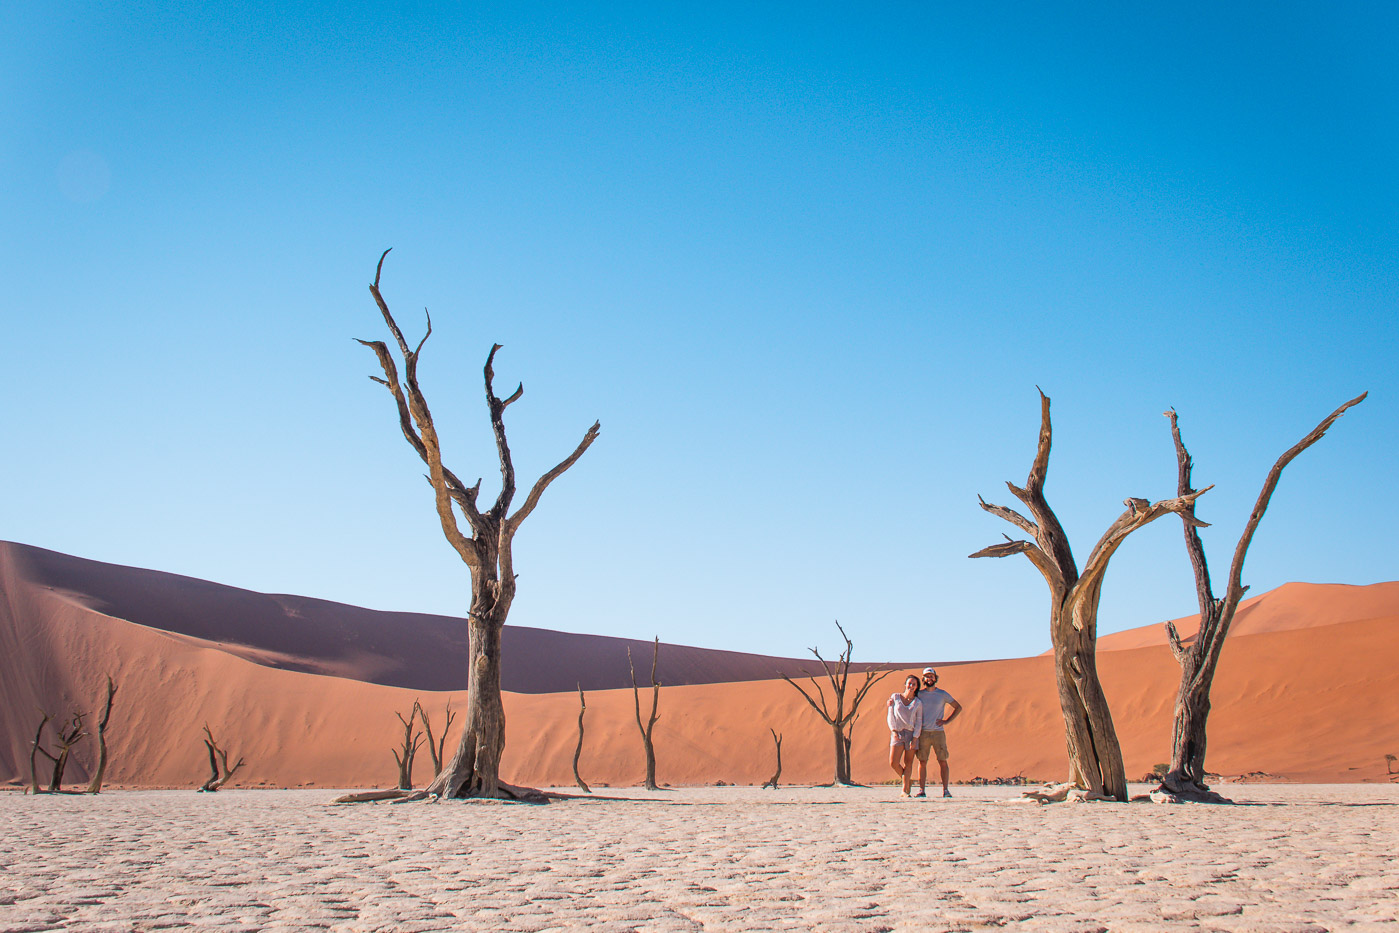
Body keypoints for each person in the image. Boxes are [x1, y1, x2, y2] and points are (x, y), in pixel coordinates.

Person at [914, 667, 962, 798]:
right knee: (922, 761)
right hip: (923, 733)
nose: (929, 679)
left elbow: (958, 707)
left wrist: (947, 721)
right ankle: (921, 790)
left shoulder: (942, 694)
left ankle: (945, 790)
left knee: (942, 760)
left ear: (936, 678)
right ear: (923, 679)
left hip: (938, 732)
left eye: (931, 676)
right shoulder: (919, 694)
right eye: (927, 676)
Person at [886, 674, 923, 798]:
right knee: (893, 762)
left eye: (914, 684)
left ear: (917, 687)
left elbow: (919, 721)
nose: (911, 686)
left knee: (908, 762)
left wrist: (915, 738)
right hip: (897, 732)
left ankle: (905, 791)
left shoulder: (918, 703)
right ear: (905, 684)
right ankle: (907, 781)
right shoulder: (895, 697)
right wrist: (893, 730)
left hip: (911, 734)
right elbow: (890, 714)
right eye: (909, 683)